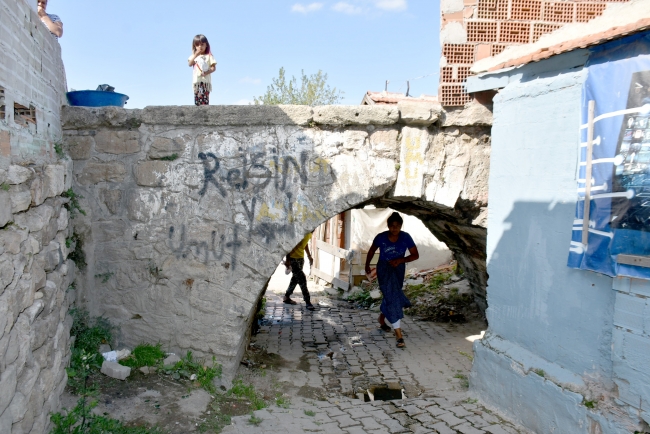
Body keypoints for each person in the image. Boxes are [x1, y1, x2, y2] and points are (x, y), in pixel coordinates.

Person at [365, 212, 419, 348]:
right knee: (393, 298)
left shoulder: (406, 237)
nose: (395, 229)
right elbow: (371, 251)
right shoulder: (381, 237)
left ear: (401, 226)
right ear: (388, 226)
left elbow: (415, 255)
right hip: (384, 268)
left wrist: (401, 260)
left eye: (397, 226)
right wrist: (367, 265)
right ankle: (399, 335)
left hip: (399, 268)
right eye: (392, 226)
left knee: (391, 295)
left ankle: (382, 318)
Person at [283, 233, 316, 311]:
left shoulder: (309, 234)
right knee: (302, 279)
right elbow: (289, 244)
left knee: (295, 279)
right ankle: (307, 301)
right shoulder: (301, 230)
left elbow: (305, 244)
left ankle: (286, 296)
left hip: (301, 258)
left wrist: (309, 256)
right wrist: (288, 260)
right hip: (292, 259)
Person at [188, 35, 217, 106]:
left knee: (205, 98)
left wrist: (206, 72)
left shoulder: (209, 56)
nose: (200, 46)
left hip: (205, 81)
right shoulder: (193, 56)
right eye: (197, 45)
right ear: (194, 46)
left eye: (202, 44)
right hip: (197, 81)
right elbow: (190, 63)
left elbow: (213, 68)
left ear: (206, 45)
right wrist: (196, 54)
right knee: (197, 98)